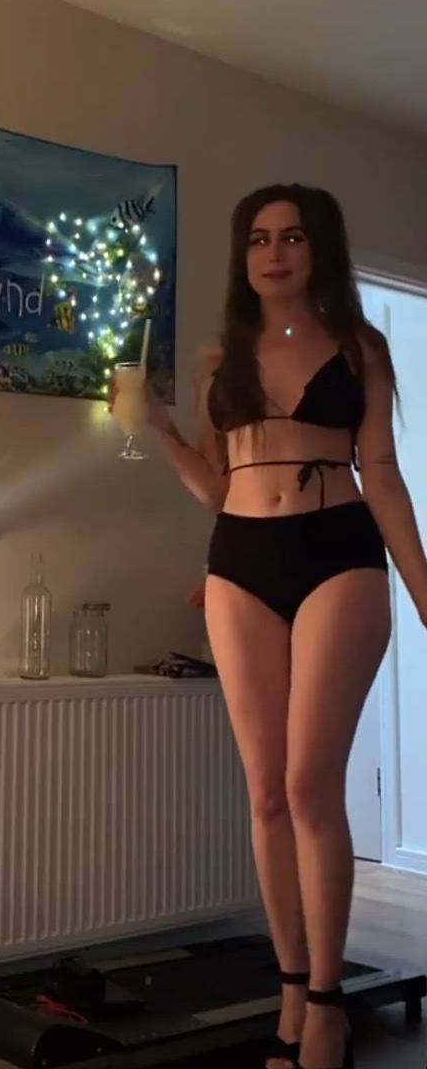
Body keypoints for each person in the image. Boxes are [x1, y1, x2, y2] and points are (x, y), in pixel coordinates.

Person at [145, 183, 427, 1069]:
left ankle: (331, 1003)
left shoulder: (361, 346)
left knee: (310, 784)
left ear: (319, 248)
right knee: (266, 791)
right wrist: (158, 430)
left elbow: (382, 471)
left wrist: (425, 589)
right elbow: (217, 483)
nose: (274, 253)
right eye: (260, 239)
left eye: (293, 237)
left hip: (338, 548)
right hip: (239, 562)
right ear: (245, 255)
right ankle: (294, 992)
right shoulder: (219, 357)